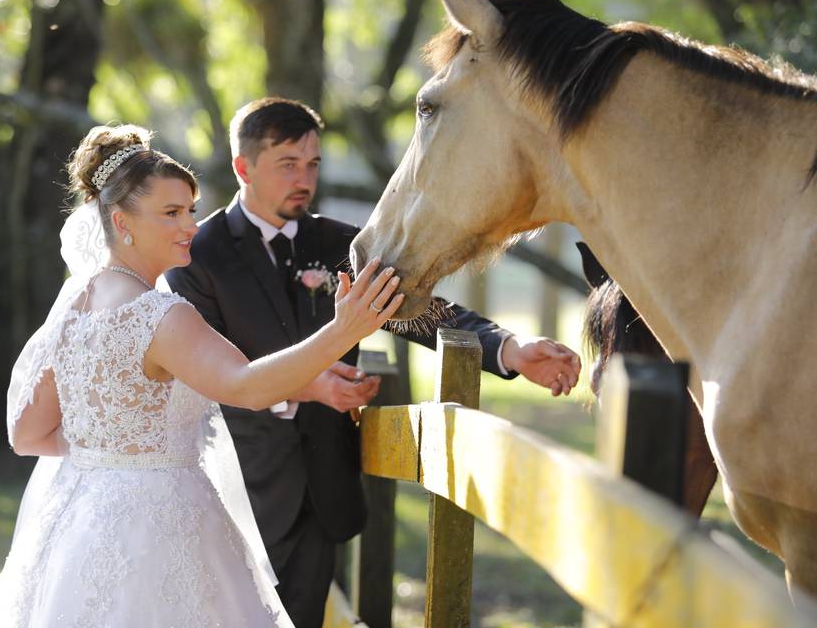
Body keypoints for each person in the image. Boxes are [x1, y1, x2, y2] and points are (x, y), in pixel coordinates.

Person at [166, 97, 582, 628]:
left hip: (323, 485)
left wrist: (510, 349)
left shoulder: (346, 245)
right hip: (234, 487)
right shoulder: (198, 254)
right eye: (287, 164)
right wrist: (307, 386)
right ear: (243, 167)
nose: (305, 179)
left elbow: (424, 314)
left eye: (313, 164)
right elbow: (200, 369)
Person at [0, 123, 404, 628]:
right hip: (162, 530)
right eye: (171, 213)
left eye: (192, 210)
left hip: (78, 527)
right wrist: (342, 328)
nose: (191, 226)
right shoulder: (160, 315)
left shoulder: (74, 307)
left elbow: (27, 435)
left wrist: (115, 447)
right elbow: (245, 385)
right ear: (121, 221)